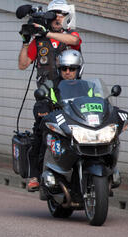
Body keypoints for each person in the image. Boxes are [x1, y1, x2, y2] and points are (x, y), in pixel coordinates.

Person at [28, 49, 84, 192]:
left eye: (72, 69)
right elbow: (40, 100)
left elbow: (98, 99)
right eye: (64, 68)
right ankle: (36, 175)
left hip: (79, 125)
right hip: (57, 124)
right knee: (41, 136)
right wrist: (43, 110)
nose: (67, 72)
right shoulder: (51, 85)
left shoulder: (87, 87)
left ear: (79, 70)